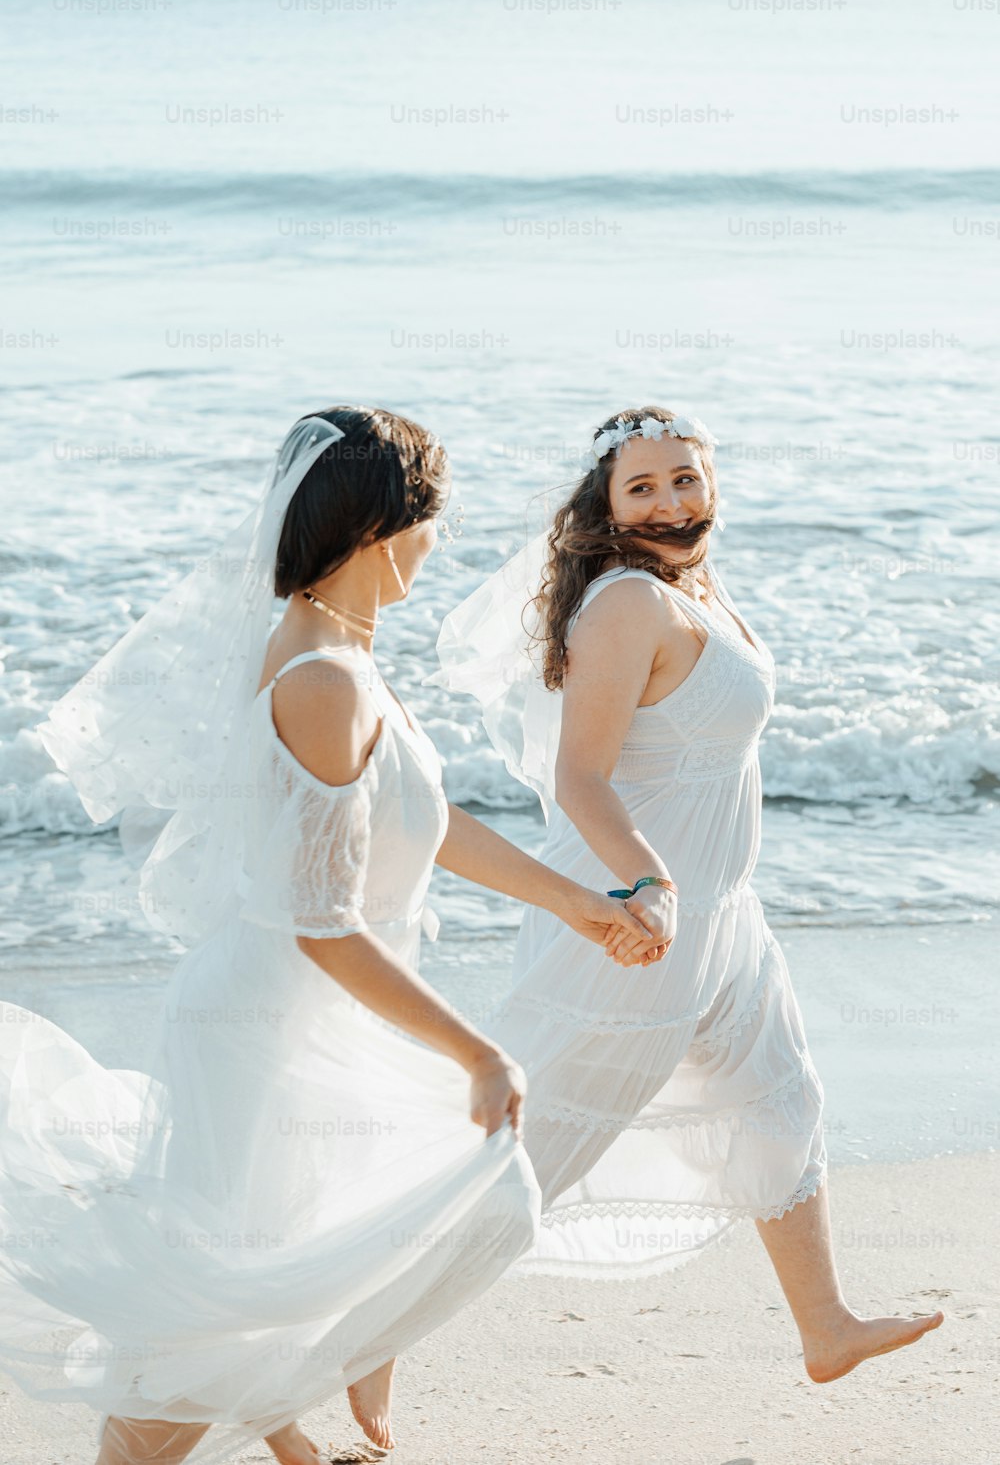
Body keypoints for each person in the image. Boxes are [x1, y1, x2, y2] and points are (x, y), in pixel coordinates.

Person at [0, 406, 655, 1465]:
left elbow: (420, 822)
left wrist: (576, 902)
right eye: (431, 520)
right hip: (274, 1029)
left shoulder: (335, 649)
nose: (438, 545)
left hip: (325, 1020)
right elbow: (321, 925)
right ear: (381, 525)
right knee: (199, 1347)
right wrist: (478, 1052)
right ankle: (304, 1404)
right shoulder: (320, 680)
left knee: (381, 1241)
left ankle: (308, 1419)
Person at [433, 404, 944, 1382]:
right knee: (529, 1157)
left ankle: (825, 1329)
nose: (671, 501)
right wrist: (646, 884)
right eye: (643, 487)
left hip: (721, 916)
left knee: (776, 1101)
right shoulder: (630, 603)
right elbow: (582, 776)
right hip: (637, 919)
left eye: (686, 479)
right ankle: (355, 1332)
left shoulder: (695, 586)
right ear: (607, 508)